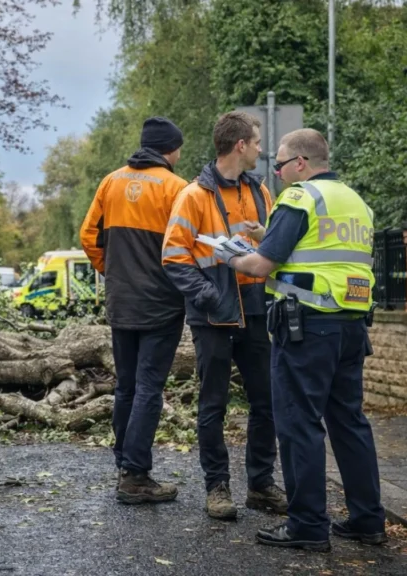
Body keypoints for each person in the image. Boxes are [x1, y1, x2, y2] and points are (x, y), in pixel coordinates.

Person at [218, 128, 386, 552]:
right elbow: (320, 251)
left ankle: (308, 525)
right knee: (349, 422)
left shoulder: (300, 197)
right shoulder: (357, 202)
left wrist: (229, 254)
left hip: (306, 328)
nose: (275, 171)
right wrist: (264, 235)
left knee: (298, 424)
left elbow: (260, 267)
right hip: (350, 326)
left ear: (301, 164)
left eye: (279, 164)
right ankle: (368, 520)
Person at [161, 111, 287, 520]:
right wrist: (210, 297)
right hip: (213, 314)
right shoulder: (194, 195)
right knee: (213, 403)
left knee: (265, 401)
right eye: (256, 141)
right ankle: (217, 488)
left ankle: (261, 485)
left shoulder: (260, 192)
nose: (260, 149)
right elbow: (173, 257)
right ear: (239, 146)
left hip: (254, 308)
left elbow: (271, 247)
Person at [79, 117, 188, 504]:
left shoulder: (111, 182)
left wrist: (112, 270)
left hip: (121, 301)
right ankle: (136, 475)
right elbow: (186, 245)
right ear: (170, 149)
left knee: (126, 386)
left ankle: (124, 461)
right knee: (149, 388)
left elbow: (89, 235)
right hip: (161, 304)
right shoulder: (177, 188)